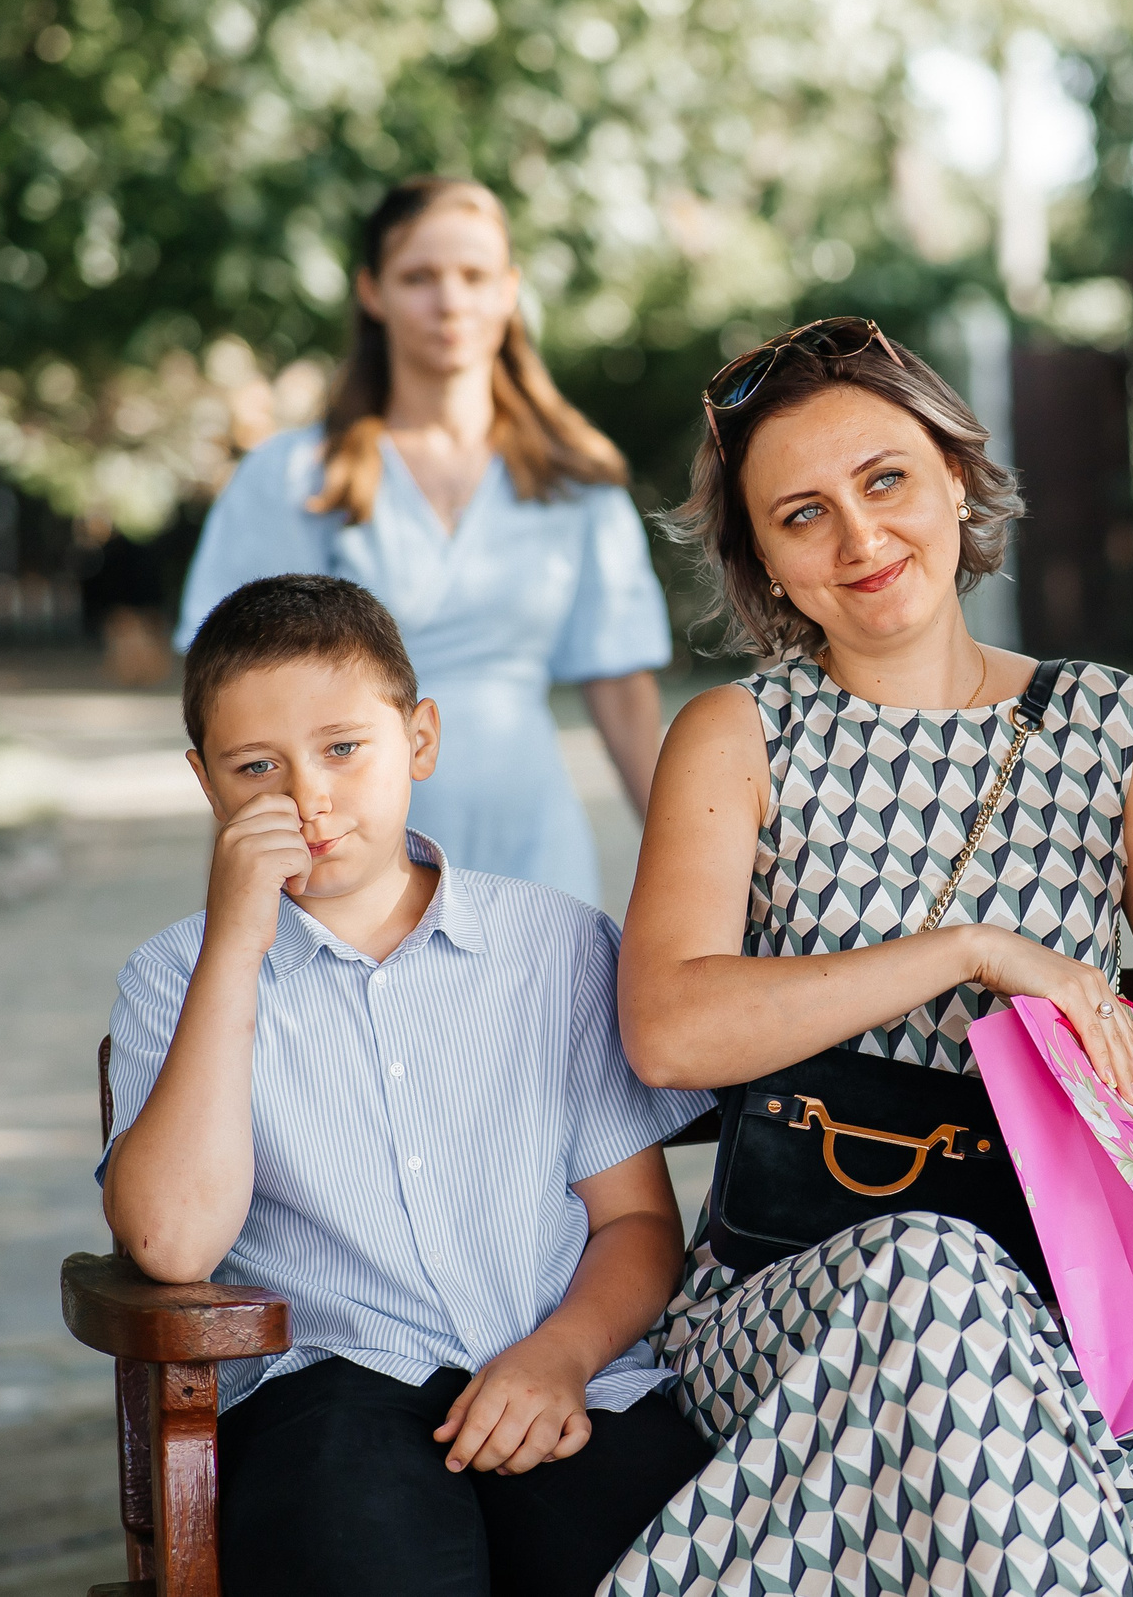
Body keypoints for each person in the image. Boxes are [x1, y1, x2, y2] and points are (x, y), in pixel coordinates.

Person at [605, 318, 1133, 1595]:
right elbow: (671, 1029)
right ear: (764, 564)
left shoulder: (1102, 725)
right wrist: (972, 949)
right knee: (930, 1267)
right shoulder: (734, 736)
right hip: (800, 1300)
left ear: (957, 478)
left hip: (1082, 1316)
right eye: (801, 515)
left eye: (885, 480)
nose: (858, 539)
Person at [103, 574, 711, 1597]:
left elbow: (636, 1226)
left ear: (418, 740)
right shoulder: (173, 975)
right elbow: (170, 1243)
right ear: (209, 786)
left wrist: (560, 1356)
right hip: (326, 1402)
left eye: (344, 748)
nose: (308, 798)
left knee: (671, 1562)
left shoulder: (553, 943)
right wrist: (237, 949)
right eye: (258, 767)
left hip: (568, 1374)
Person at [178, 177, 671, 907]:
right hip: (343, 847)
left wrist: (695, 866)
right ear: (372, 292)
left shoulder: (576, 481)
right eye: (419, 277)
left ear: (510, 290)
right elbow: (229, 699)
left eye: (474, 276)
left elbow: (624, 696)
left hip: (534, 839)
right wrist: (248, 879)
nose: (450, 301)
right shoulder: (293, 476)